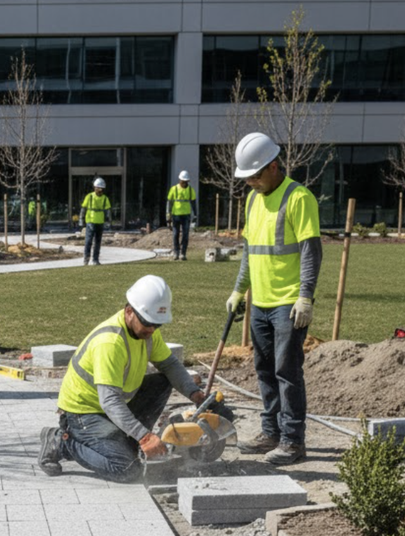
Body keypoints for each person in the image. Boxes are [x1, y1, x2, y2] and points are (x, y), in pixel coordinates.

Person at [37, 275, 206, 482]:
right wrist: (145, 436)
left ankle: (129, 443)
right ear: (129, 312)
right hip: (83, 413)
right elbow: (109, 401)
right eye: (147, 323)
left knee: (161, 382)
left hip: (112, 404)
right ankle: (62, 442)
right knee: (126, 469)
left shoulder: (148, 331)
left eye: (157, 325)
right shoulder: (110, 343)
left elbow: (169, 364)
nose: (151, 330)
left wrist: (195, 393)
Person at [226, 132, 322, 466]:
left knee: (287, 371)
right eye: (246, 177)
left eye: (254, 175)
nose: (250, 182)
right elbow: (250, 252)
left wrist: (305, 297)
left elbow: (311, 252)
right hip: (261, 303)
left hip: (288, 305)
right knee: (264, 369)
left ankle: (293, 441)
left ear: (273, 166)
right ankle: (270, 431)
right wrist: (240, 290)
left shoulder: (299, 198)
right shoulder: (253, 200)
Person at [166, 171, 197, 260]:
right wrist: (168, 216)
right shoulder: (174, 189)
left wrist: (195, 215)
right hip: (176, 215)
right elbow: (169, 203)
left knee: (185, 235)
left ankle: (183, 253)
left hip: (186, 216)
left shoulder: (191, 190)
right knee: (175, 234)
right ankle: (176, 252)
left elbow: (194, 203)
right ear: (180, 180)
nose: (184, 183)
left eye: (186, 181)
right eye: (183, 181)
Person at [80, 178, 111, 265]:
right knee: (88, 241)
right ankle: (86, 259)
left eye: (101, 189)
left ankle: (95, 259)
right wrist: (81, 220)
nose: (100, 190)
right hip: (90, 221)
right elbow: (83, 208)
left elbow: (107, 211)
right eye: (98, 188)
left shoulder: (105, 199)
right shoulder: (89, 196)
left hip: (100, 222)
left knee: (97, 242)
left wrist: (108, 221)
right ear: (95, 188)